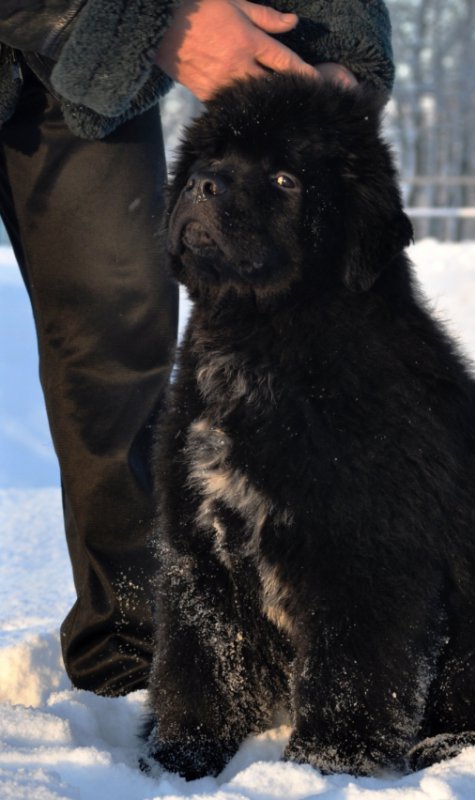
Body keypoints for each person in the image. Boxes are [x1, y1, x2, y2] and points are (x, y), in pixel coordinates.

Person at [0, 0, 394, 698]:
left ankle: (131, 649)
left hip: (76, 70)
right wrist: (146, 19)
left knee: (121, 336)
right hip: (102, 19)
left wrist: (330, 47)